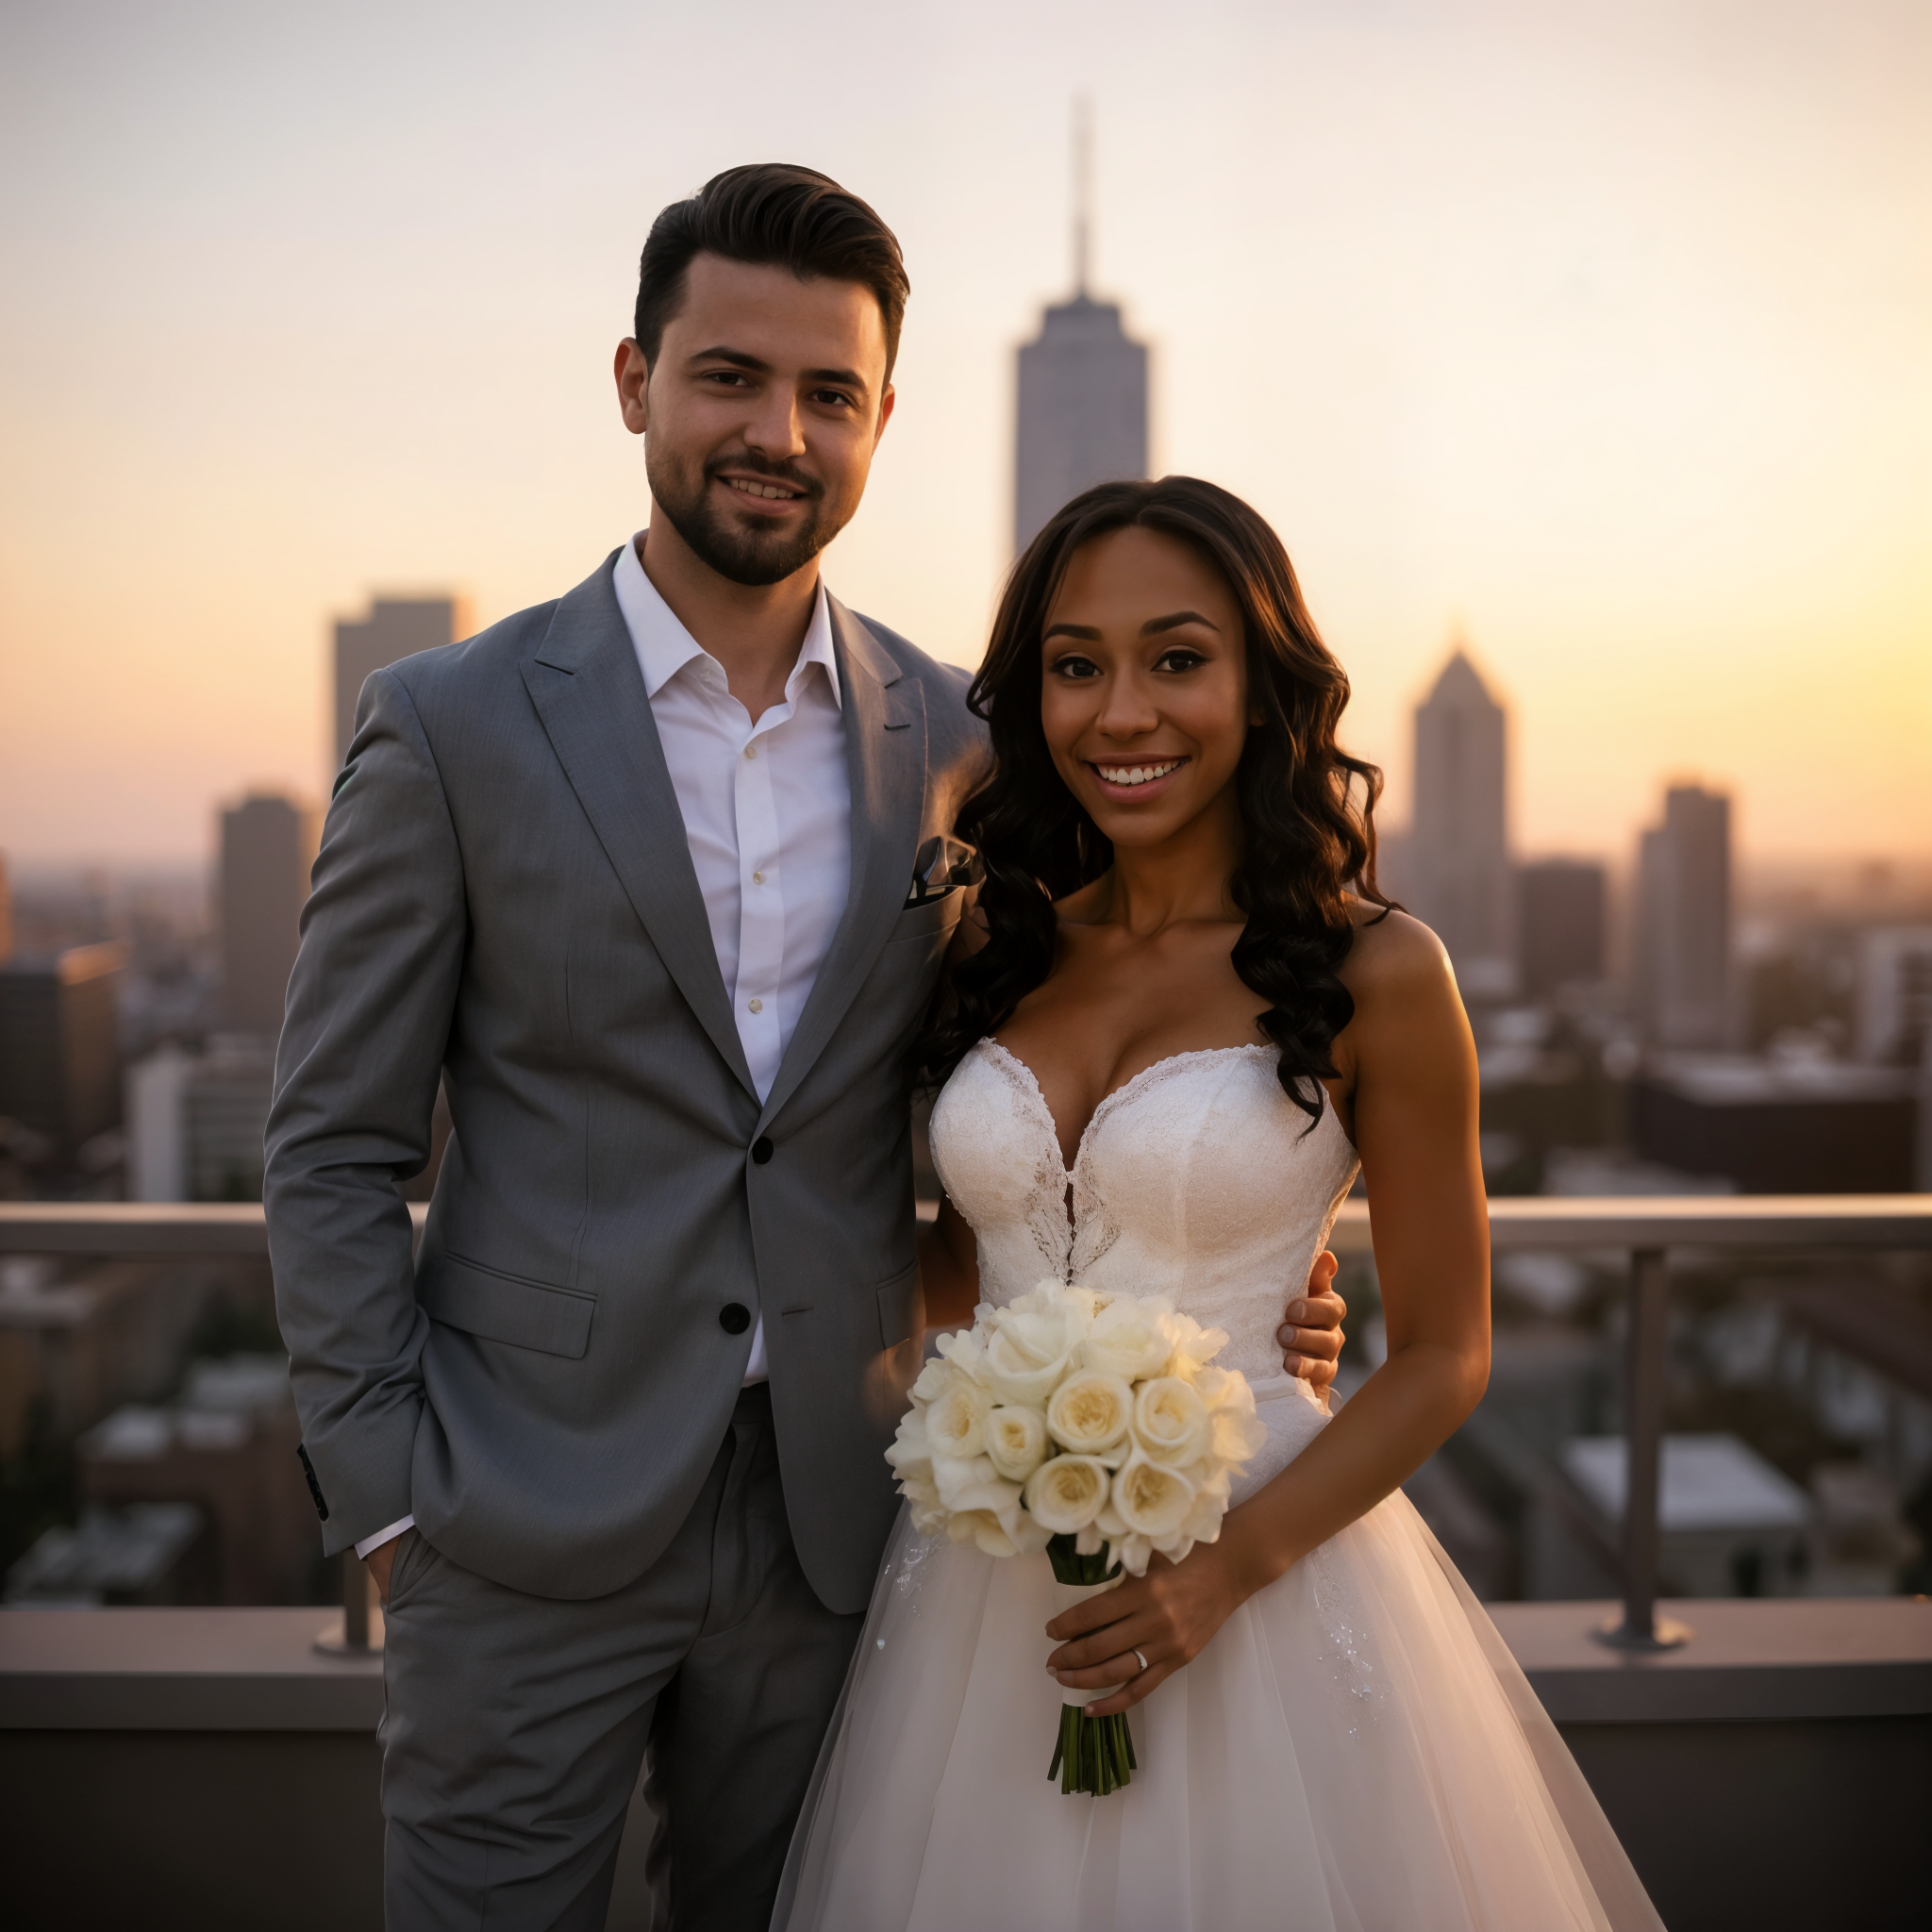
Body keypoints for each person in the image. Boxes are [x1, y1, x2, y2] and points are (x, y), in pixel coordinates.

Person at [263, 165, 1346, 1931]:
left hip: (858, 1527)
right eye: (728, 378)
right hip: (515, 1514)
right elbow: (329, 1152)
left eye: (828, 394)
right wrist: (392, 1503)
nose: (778, 431)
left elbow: (1115, 1047)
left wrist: (1254, 1267)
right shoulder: (449, 724)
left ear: (882, 420)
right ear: (635, 383)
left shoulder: (965, 740)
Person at [773, 475, 1665, 1931]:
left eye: (1177, 659)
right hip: (983, 1586)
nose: (1123, 712)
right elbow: (957, 1265)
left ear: (1264, 686)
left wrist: (1224, 1569)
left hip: (1255, 1577)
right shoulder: (990, 947)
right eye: (1077, 667)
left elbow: (1449, 1354)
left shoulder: (1382, 971)